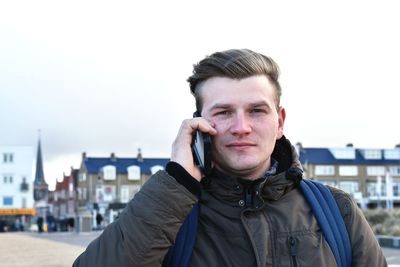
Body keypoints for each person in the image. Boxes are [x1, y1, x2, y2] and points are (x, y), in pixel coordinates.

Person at [73, 49, 387, 267]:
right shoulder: (168, 215)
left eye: (256, 110)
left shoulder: (337, 211)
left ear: (280, 121)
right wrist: (176, 183)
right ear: (198, 125)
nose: (241, 127)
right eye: (223, 113)